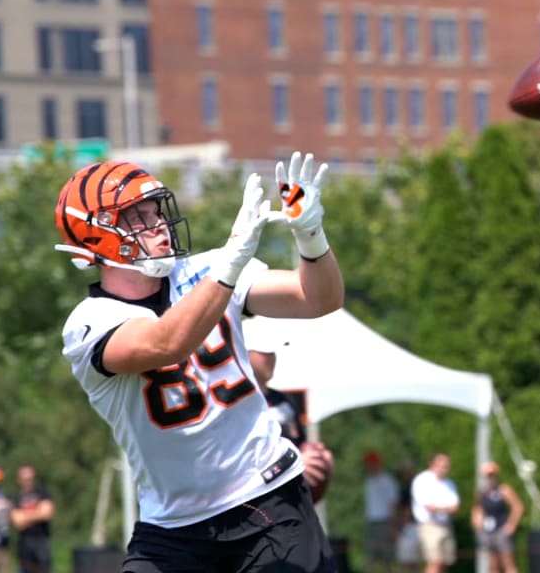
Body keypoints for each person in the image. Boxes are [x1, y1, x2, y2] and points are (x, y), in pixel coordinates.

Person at [55, 151, 344, 572]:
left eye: (155, 211)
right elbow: (166, 343)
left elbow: (319, 299)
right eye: (138, 217)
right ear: (96, 237)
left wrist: (311, 236)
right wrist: (230, 262)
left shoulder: (206, 269)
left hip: (267, 500)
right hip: (173, 526)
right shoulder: (88, 323)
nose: (158, 224)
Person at [244, 328, 334, 503]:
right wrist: (296, 462)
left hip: (291, 484)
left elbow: (300, 442)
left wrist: (315, 454)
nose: (272, 358)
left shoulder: (284, 399)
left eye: (273, 352)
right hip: (261, 492)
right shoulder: (240, 403)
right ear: (245, 354)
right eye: (265, 353)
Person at [471, 462, 524, 573]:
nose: (490, 478)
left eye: (492, 475)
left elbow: (518, 506)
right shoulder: (481, 492)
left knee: (508, 563)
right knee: (492, 565)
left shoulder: (504, 490)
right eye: (488, 476)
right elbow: (478, 509)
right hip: (488, 531)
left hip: (501, 529)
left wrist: (511, 524)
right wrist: (477, 527)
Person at [411, 454, 460, 573]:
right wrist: (446, 508)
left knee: (444, 564)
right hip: (430, 526)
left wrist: (440, 508)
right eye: (441, 466)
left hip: (446, 526)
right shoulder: (422, 480)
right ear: (432, 465)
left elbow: (456, 507)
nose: (443, 469)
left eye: (446, 466)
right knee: (434, 562)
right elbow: (429, 507)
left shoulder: (449, 484)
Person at [10, 466, 55, 573]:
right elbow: (17, 522)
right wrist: (37, 512)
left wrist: (25, 515)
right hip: (25, 541)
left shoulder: (42, 493)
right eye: (25, 479)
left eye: (30, 479)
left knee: (45, 568)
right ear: (19, 480)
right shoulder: (17, 498)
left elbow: (47, 513)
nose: (28, 482)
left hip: (42, 539)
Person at [361, 451, 399, 573]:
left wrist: (392, 526)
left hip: (384, 522)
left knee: (387, 559)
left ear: (375, 464)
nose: (366, 466)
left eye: (368, 464)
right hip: (371, 522)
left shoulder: (387, 480)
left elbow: (393, 505)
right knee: (370, 557)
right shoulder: (369, 481)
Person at [393, 461, 420, 573]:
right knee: (413, 562)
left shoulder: (409, 489)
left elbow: (407, 509)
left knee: (406, 562)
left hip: (408, 527)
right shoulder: (411, 487)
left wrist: (400, 527)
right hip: (412, 527)